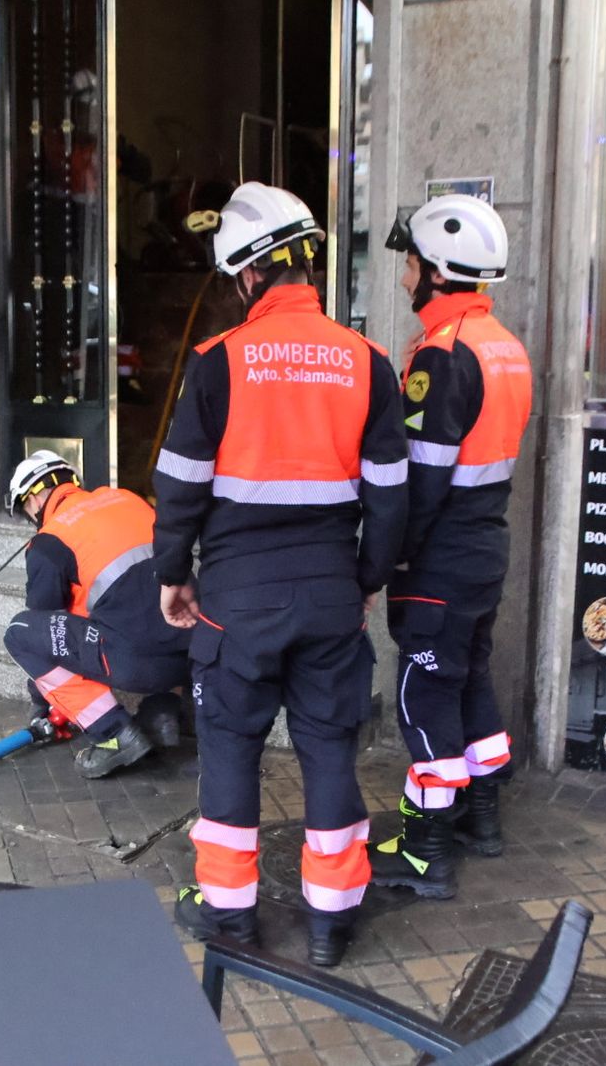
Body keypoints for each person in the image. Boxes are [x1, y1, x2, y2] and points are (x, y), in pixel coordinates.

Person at [154, 182, 407, 967]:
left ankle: (231, 918)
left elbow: (180, 485)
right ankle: (332, 920)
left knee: (230, 747)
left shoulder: (216, 364)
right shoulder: (369, 362)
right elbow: (392, 499)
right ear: (304, 265)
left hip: (236, 599)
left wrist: (173, 572)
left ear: (247, 276)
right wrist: (365, 576)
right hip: (331, 591)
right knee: (330, 748)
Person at [368, 194, 533, 899]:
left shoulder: (445, 352)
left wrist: (386, 557)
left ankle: (427, 850)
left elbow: (422, 478)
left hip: (439, 553)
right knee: (468, 679)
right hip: (485, 547)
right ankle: (484, 818)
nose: (405, 279)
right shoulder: (505, 345)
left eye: (409, 265)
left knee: (423, 691)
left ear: (436, 269)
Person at [2, 450, 189, 778]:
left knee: (20, 631)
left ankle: (113, 733)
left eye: (25, 509)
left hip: (137, 663)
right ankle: (162, 714)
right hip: (191, 652)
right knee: (141, 603)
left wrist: (44, 697)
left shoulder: (50, 542)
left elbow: (47, 628)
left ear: (33, 499)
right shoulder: (128, 498)